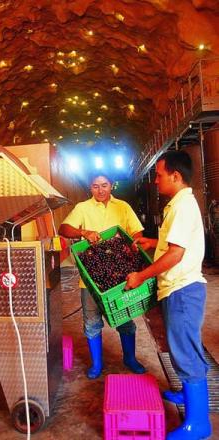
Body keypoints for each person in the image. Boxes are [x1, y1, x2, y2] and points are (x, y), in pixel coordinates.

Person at [126, 150, 211, 439]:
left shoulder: (183, 206)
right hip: (176, 288)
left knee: (186, 352)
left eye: (159, 175)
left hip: (183, 289)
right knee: (179, 348)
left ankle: (198, 424)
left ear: (176, 176)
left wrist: (140, 276)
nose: (155, 181)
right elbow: (170, 244)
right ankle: (188, 397)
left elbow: (176, 254)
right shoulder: (177, 205)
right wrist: (152, 241)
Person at [59, 173, 146, 379]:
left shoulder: (123, 206)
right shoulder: (82, 208)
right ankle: (97, 364)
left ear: (111, 186)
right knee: (91, 322)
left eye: (104, 185)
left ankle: (130, 358)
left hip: (119, 275)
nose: (100, 190)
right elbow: (64, 228)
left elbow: (137, 232)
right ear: (90, 187)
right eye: (96, 186)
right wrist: (83, 233)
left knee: (125, 318)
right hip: (90, 276)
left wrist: (132, 242)